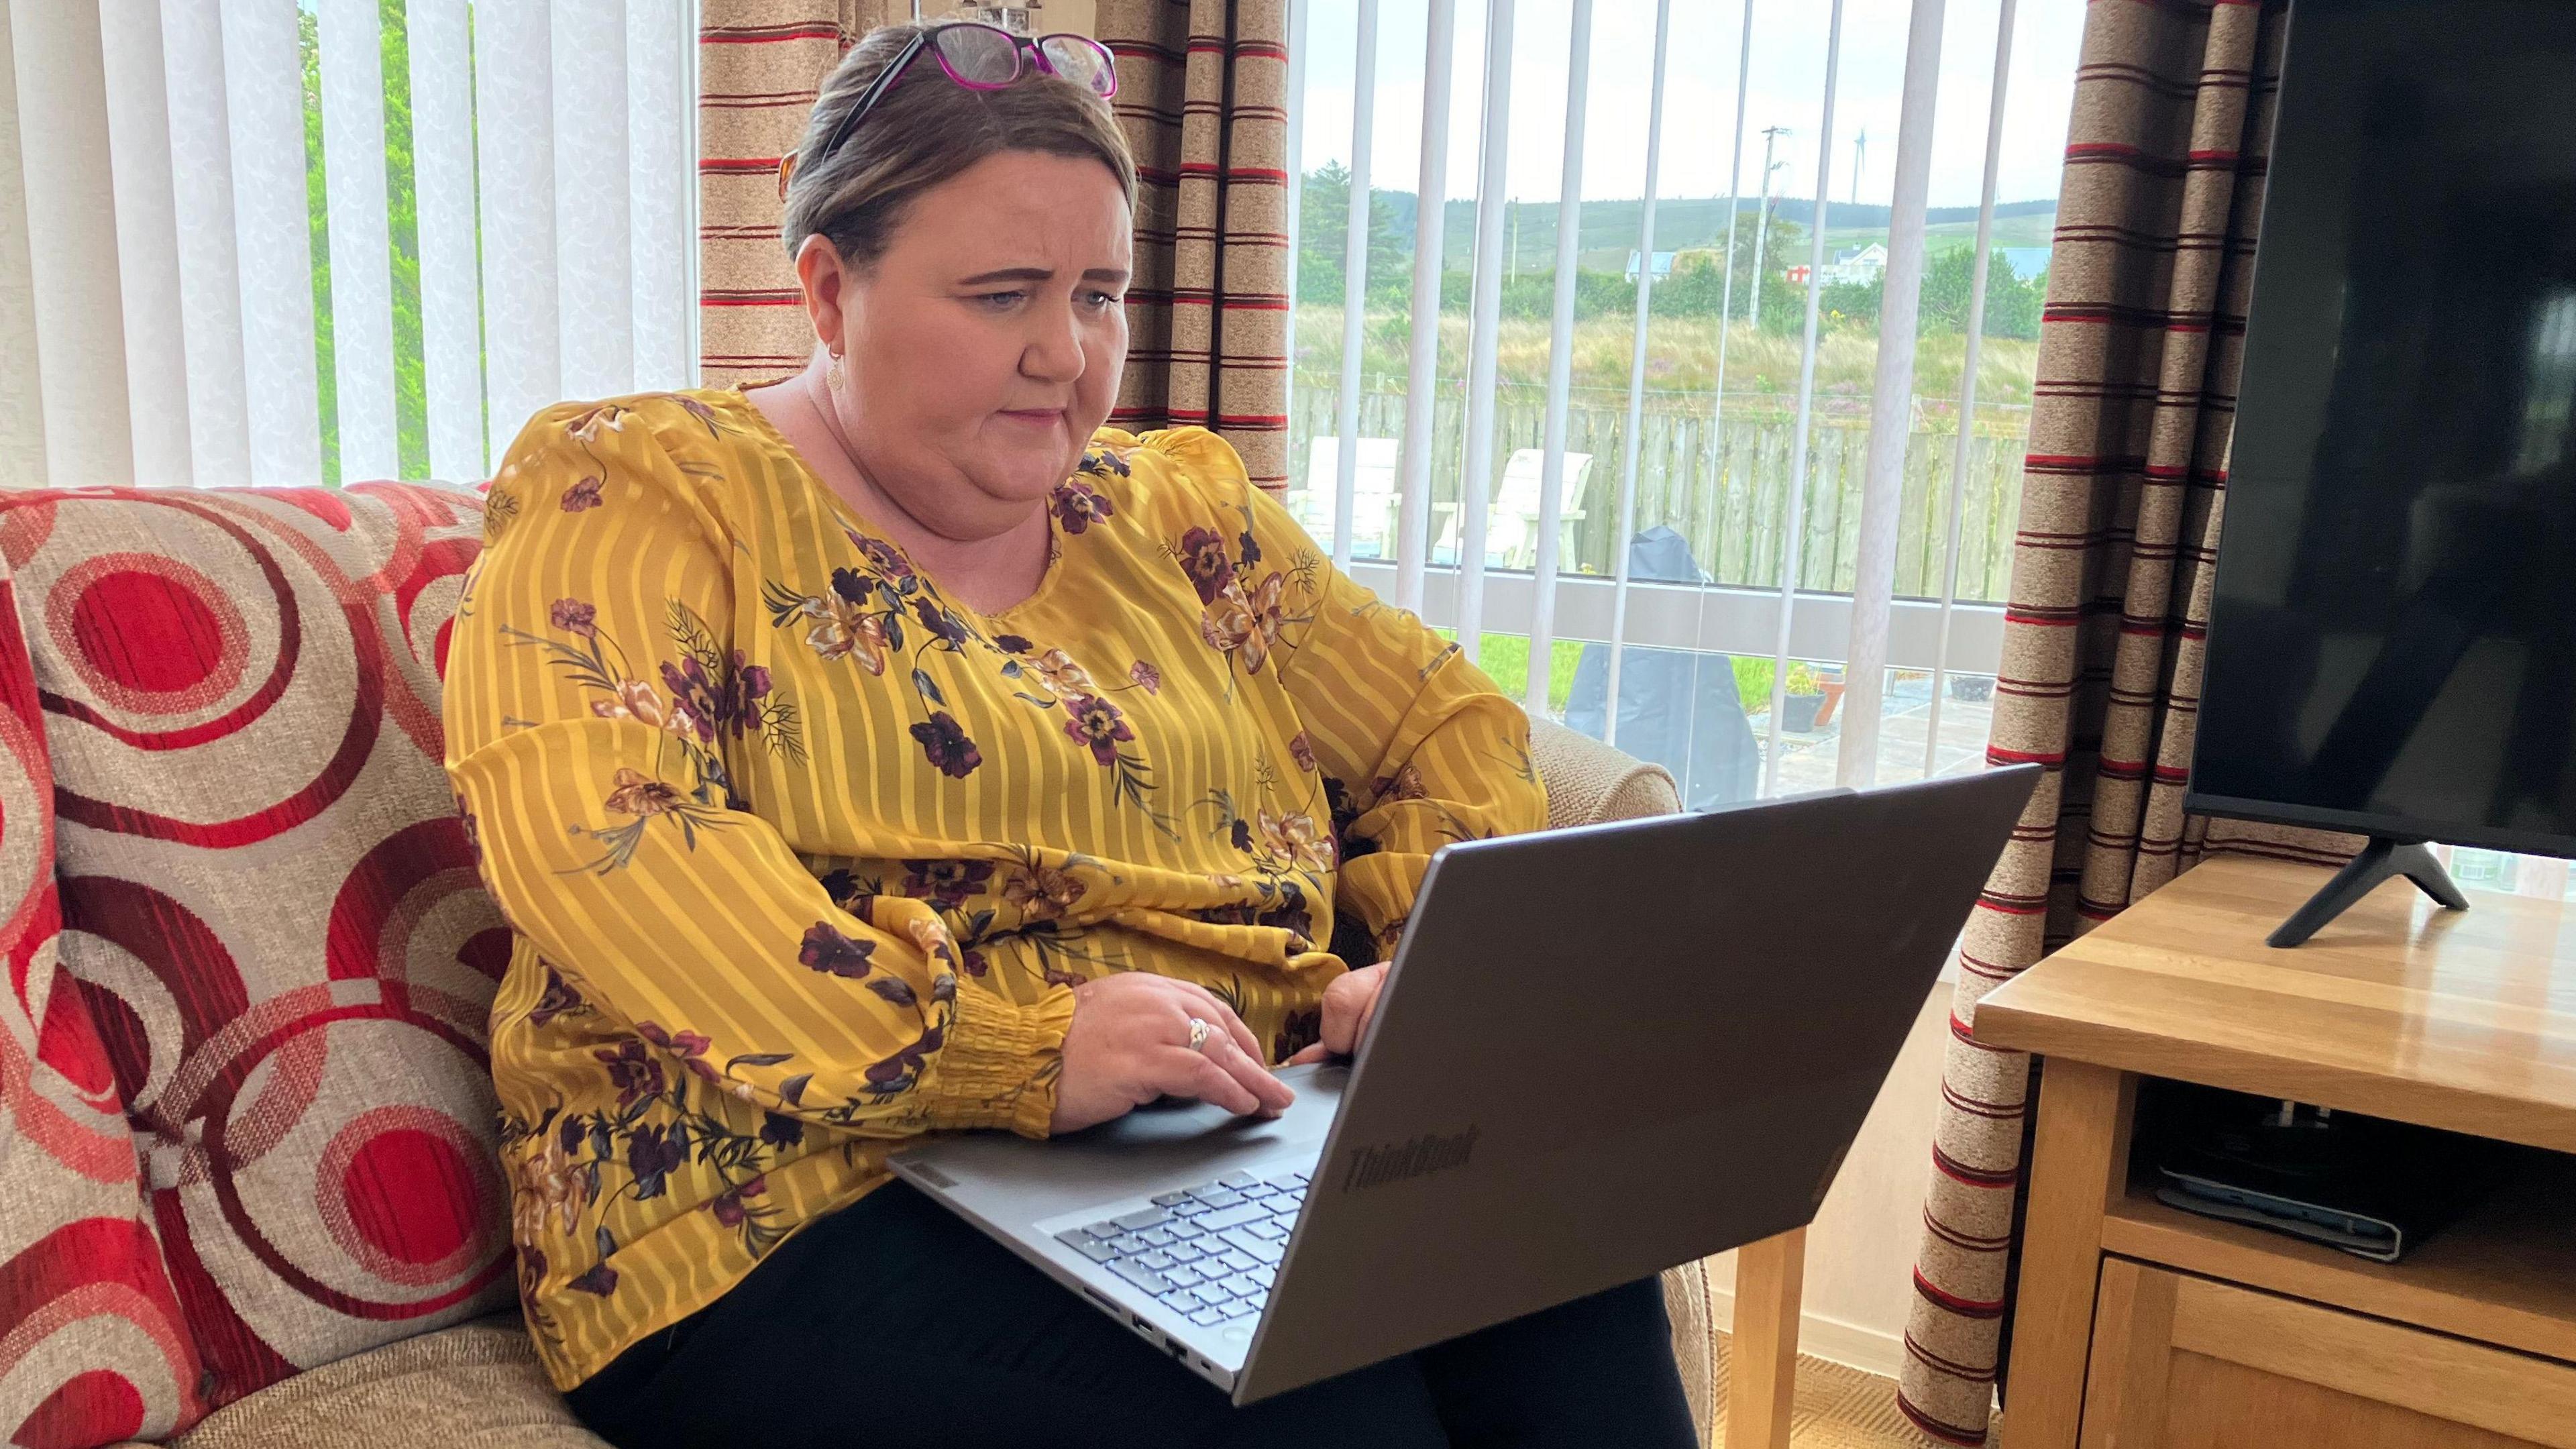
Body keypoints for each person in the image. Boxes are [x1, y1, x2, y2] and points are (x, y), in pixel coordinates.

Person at [443, 19, 1696, 1448]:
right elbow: (605, 840)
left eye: (1100, 293)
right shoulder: (642, 487)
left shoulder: (1175, 512)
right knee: (1339, 1413)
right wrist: (1007, 1051)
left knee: (1566, 1266)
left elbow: (1444, 718)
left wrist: (1418, 957)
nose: (1067, 353)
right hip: (789, 1199)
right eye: (1000, 294)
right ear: (828, 288)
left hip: (1214, 1137)